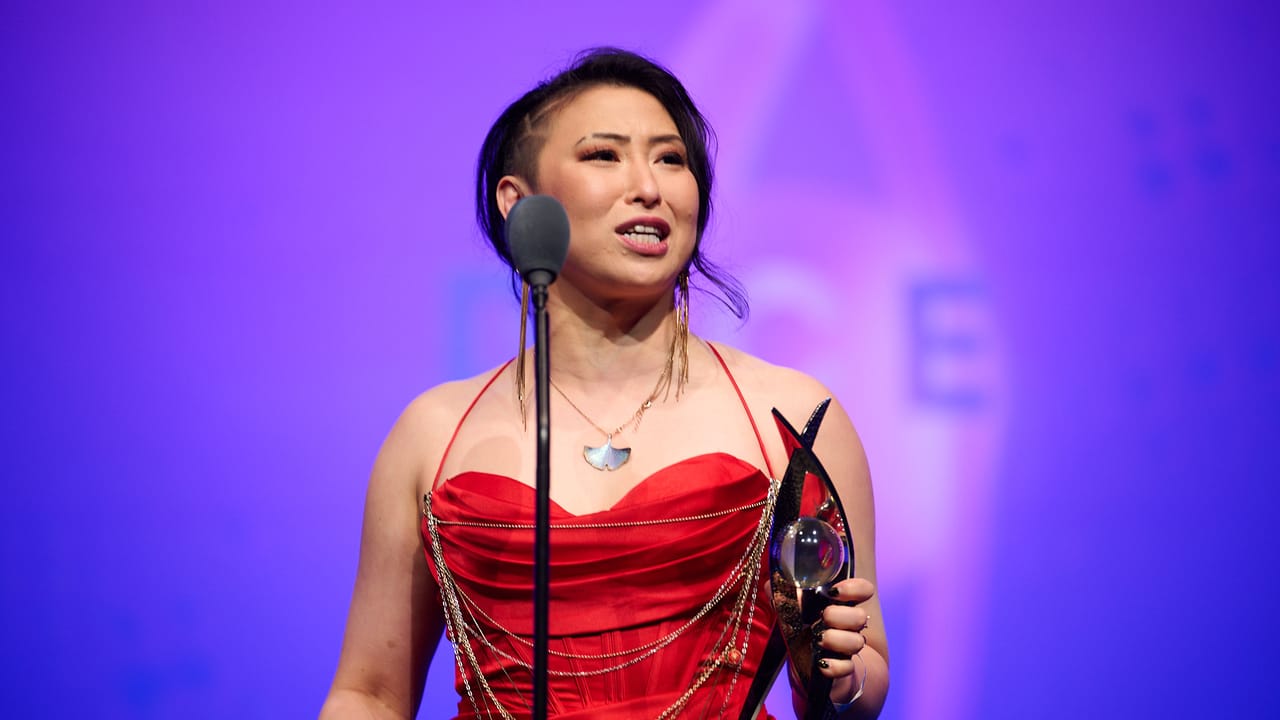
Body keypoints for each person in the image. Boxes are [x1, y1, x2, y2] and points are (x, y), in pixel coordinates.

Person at [320, 48, 888, 719]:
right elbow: (370, 693)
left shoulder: (791, 417)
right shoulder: (433, 433)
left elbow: (860, 679)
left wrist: (838, 676)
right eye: (603, 155)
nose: (648, 186)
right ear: (519, 202)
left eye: (671, 159)